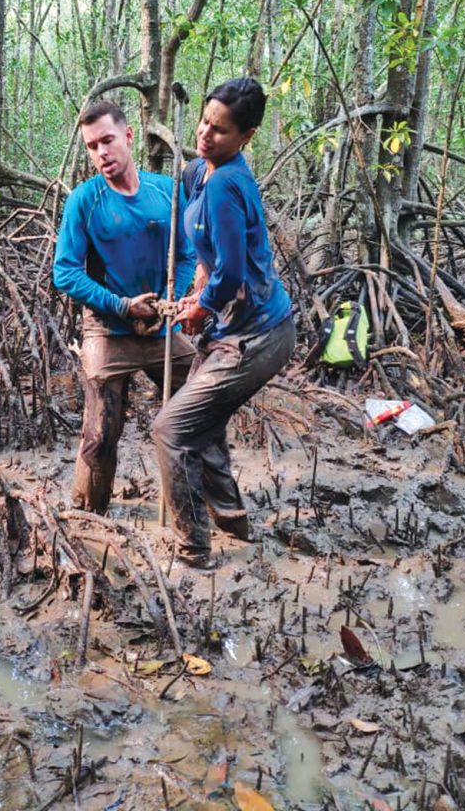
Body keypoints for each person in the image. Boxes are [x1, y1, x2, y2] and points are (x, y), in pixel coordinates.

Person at [153, 77, 295, 570]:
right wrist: (197, 285)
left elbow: (233, 269)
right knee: (203, 425)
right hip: (233, 328)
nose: (205, 134)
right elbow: (210, 256)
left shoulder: (228, 186)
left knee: (171, 429)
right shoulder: (200, 174)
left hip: (258, 336)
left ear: (246, 137)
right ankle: (232, 521)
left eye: (220, 129)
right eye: (204, 121)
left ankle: (193, 551)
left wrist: (200, 306)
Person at [53, 100, 196, 513]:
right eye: (92, 146)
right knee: (100, 434)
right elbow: (64, 272)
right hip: (108, 327)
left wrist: (169, 300)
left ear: (129, 136)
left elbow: (186, 255)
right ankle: (88, 517)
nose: (101, 153)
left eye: (108, 141)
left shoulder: (166, 192)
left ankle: (205, 510)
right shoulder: (84, 200)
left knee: (199, 413)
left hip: (161, 326)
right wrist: (122, 306)